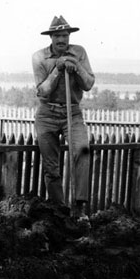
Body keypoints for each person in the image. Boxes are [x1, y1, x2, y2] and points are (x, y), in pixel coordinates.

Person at [32, 15, 95, 221]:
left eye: (65, 35)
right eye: (57, 35)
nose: (62, 40)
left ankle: (79, 208)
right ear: (50, 37)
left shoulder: (79, 52)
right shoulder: (39, 57)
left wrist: (75, 66)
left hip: (73, 112)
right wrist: (58, 69)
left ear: (69, 36)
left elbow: (88, 84)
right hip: (47, 114)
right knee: (51, 167)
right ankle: (59, 211)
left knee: (83, 152)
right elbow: (43, 92)